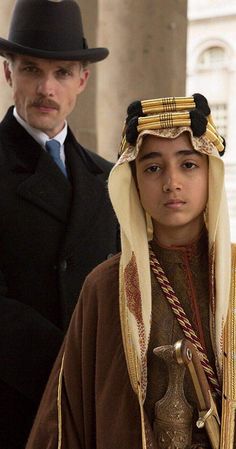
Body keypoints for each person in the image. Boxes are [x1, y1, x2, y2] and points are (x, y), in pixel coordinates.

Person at [25, 94, 236, 449]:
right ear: (134, 182)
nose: (172, 183)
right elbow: (67, 418)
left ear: (210, 172)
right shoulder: (107, 287)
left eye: (188, 164)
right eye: (153, 168)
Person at [0, 1, 119, 448]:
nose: (46, 88)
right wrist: (75, 371)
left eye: (62, 73)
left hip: (92, 414)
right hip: (15, 407)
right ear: (9, 73)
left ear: (82, 81)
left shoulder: (109, 178)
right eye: (31, 69)